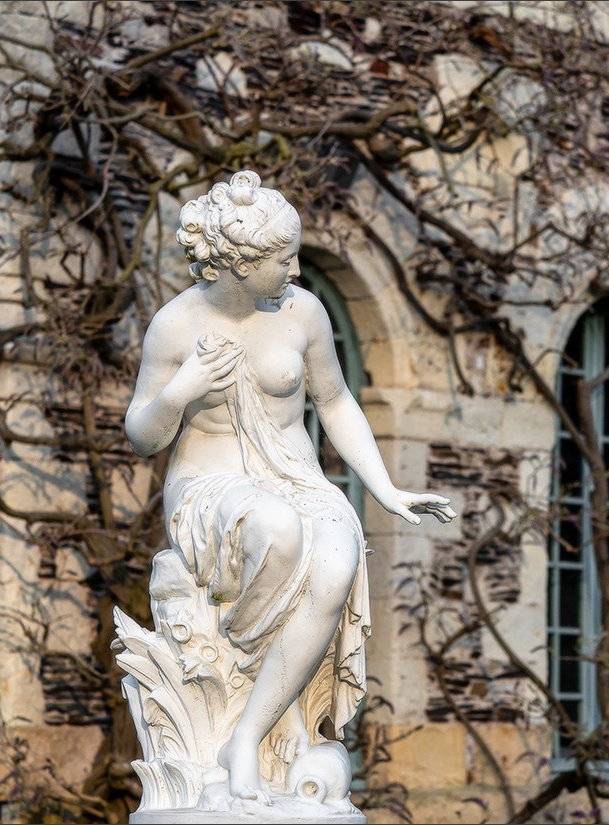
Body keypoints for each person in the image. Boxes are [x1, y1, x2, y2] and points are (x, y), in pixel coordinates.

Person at [124, 170, 456, 806]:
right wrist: (180, 391)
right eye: (283, 258)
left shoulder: (304, 312)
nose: (296, 268)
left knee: (337, 558)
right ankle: (255, 683)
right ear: (239, 266)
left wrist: (384, 490)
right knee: (277, 532)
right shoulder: (175, 326)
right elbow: (142, 434)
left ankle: (246, 734)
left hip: (297, 476)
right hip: (209, 487)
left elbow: (334, 402)